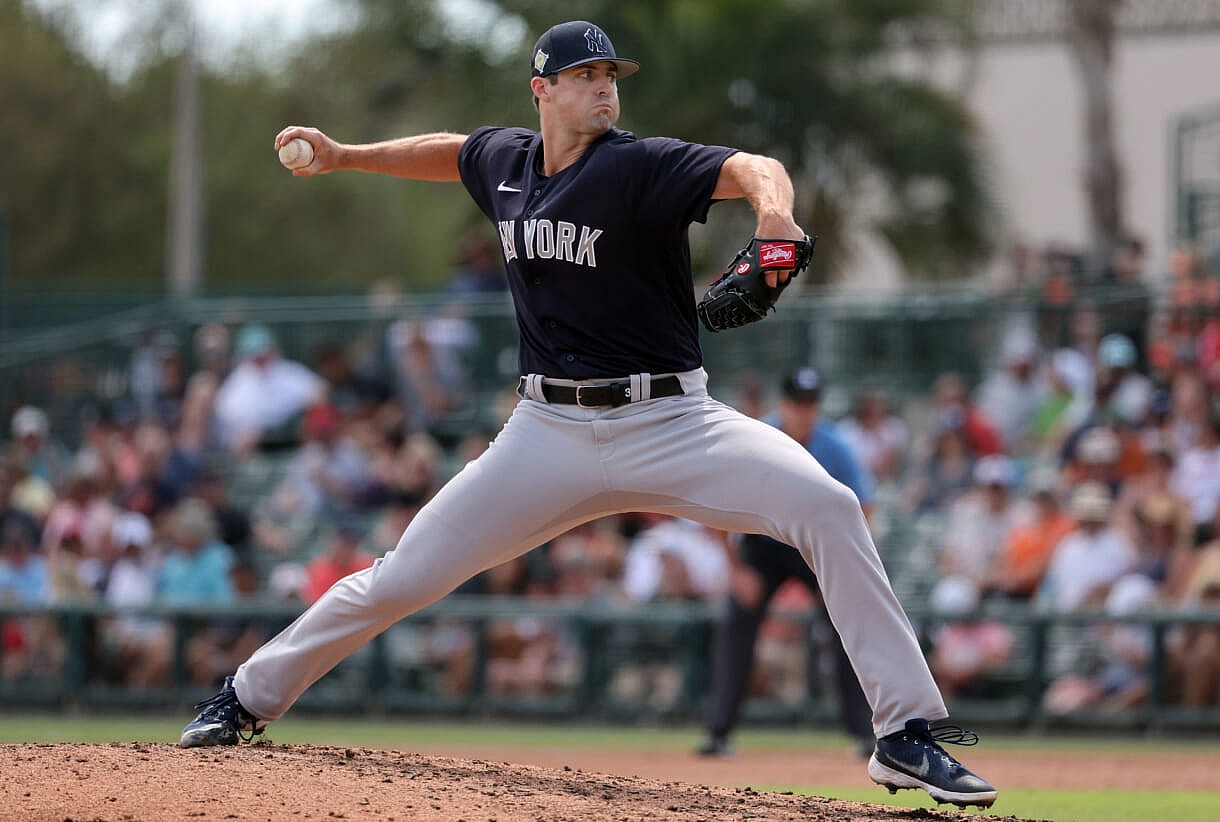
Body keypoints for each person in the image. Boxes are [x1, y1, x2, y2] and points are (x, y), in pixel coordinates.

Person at [179, 20, 996, 808]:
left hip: (673, 422)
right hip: (547, 433)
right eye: (585, 77)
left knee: (829, 504)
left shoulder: (638, 167)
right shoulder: (505, 161)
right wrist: (347, 155)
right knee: (404, 575)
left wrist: (774, 214)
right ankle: (246, 696)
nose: (605, 89)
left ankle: (904, 731)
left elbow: (756, 166)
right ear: (542, 90)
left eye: (610, 76)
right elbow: (450, 152)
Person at [698, 367, 875, 759]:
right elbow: (714, 503)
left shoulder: (835, 445)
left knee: (848, 622)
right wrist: (736, 571)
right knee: (737, 620)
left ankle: (866, 733)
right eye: (797, 403)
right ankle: (719, 732)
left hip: (814, 547)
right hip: (764, 545)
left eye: (810, 403)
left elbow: (865, 508)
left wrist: (846, 570)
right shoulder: (758, 438)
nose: (804, 411)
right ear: (783, 404)